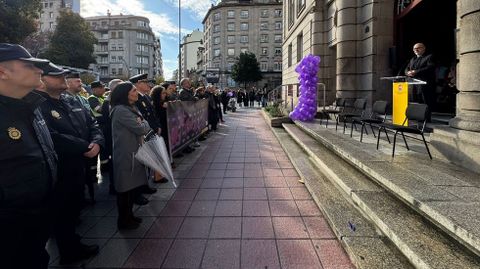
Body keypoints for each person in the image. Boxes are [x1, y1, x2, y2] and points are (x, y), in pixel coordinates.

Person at [38, 62, 104, 264]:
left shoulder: (71, 101)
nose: (63, 79)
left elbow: (92, 122)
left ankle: (74, 244)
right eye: (57, 76)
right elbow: (52, 137)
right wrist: (85, 146)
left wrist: (97, 143)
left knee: (75, 208)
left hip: (78, 166)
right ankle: (68, 252)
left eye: (63, 76)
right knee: (62, 212)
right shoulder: (38, 105)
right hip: (60, 169)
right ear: (43, 80)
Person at [0, 43, 57, 269]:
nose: (40, 71)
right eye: (29, 66)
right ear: (2, 71)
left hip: (36, 219)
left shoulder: (31, 106)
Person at [110, 82, 150, 230]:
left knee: (131, 188)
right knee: (125, 190)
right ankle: (124, 220)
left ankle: (129, 216)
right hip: (126, 155)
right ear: (125, 94)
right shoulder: (121, 110)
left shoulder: (131, 108)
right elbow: (141, 128)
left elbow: (142, 123)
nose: (136, 93)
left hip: (133, 152)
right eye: (134, 91)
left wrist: (143, 123)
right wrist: (144, 123)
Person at [129, 73, 159, 204]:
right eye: (144, 82)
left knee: (148, 161)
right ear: (137, 84)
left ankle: (145, 185)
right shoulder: (136, 100)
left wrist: (157, 126)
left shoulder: (145, 97)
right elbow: (141, 119)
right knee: (142, 162)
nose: (148, 84)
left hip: (150, 131)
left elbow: (152, 114)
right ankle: (140, 189)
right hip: (143, 134)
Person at [101, 78, 123, 194]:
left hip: (117, 137)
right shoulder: (109, 102)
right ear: (114, 88)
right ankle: (114, 186)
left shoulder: (115, 101)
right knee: (114, 163)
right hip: (112, 138)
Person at [405, 42, 436, 117]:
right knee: (415, 101)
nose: (416, 50)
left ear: (424, 48)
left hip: (424, 84)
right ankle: (417, 117)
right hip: (413, 85)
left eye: (418, 48)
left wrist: (416, 72)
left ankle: (426, 118)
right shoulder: (412, 59)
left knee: (425, 101)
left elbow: (430, 67)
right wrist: (407, 72)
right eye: (414, 48)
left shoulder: (429, 57)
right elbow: (407, 68)